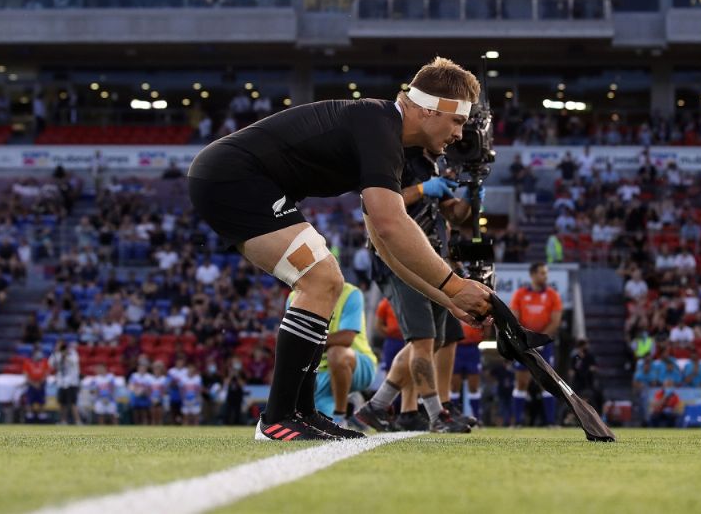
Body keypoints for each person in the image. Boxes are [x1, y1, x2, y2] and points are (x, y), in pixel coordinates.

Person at [188, 57, 492, 441]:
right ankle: (279, 417)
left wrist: (446, 298)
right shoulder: (381, 126)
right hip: (234, 176)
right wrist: (453, 285)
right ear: (432, 109)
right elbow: (390, 225)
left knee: (325, 281)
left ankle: (300, 412)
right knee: (321, 278)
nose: (460, 134)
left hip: (233, 176)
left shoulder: (386, 133)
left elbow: (383, 243)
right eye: (458, 121)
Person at [354, 140, 482, 435]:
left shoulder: (431, 165)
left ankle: (376, 407)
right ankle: (438, 415)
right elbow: (379, 203)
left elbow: (453, 214)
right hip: (400, 259)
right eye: (453, 125)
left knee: (431, 341)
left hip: (432, 260)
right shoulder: (395, 157)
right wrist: (424, 189)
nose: (455, 136)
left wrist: (471, 197)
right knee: (424, 340)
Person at [287, 282, 376, 431]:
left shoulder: (350, 293)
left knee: (337, 353)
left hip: (357, 364)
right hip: (319, 373)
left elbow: (346, 338)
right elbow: (291, 340)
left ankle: (341, 417)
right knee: (315, 421)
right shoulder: (293, 297)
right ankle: (350, 406)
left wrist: (308, 341)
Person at [509, 262, 562, 426]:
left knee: (547, 383)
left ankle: (551, 422)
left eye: (545, 273)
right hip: (524, 344)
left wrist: (539, 340)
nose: (545, 277)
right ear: (532, 275)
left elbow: (555, 321)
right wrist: (526, 339)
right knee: (521, 382)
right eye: (541, 273)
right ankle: (517, 421)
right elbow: (514, 319)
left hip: (544, 345)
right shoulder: (520, 294)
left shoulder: (553, 295)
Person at [49, 341, 81, 425]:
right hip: (61, 382)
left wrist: (66, 355)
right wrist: (56, 354)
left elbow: (74, 362)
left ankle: (78, 421)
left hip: (72, 382)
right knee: (62, 403)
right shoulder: (56, 355)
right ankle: (63, 421)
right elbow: (51, 365)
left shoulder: (72, 353)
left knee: (73, 403)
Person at [22, 350, 49, 423]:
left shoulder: (44, 362)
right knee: (29, 401)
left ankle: (42, 417)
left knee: (42, 401)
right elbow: (26, 375)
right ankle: (29, 417)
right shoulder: (27, 362)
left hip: (41, 385)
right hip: (31, 385)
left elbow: (46, 374)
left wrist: (40, 382)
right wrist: (33, 383)